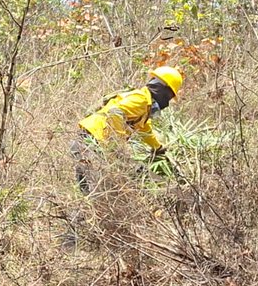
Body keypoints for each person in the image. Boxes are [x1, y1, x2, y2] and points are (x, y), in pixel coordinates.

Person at [73, 66, 183, 194]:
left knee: (89, 190)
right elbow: (115, 112)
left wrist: (157, 147)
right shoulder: (141, 99)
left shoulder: (145, 104)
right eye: (169, 96)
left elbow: (145, 129)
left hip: (90, 141)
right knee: (95, 189)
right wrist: (118, 142)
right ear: (164, 90)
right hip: (91, 141)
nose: (167, 101)